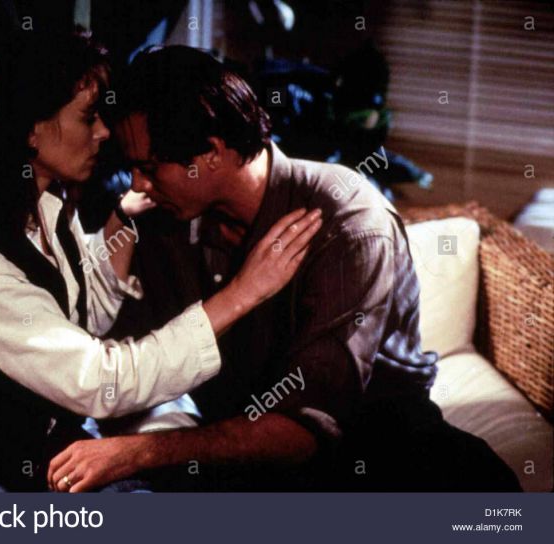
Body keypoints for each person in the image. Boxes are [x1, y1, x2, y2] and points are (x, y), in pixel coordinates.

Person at [46, 45, 521, 492]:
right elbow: (125, 359)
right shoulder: (164, 217)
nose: (137, 183)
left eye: (149, 168)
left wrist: (142, 452)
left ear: (211, 153)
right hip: (235, 445)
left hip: (377, 448)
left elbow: (309, 426)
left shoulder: (349, 223)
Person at [0, 32, 322, 493]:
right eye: (88, 117)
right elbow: (99, 382)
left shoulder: (45, 206)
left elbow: (81, 315)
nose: (103, 132)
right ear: (30, 130)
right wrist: (242, 293)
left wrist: (123, 221)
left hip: (41, 452)